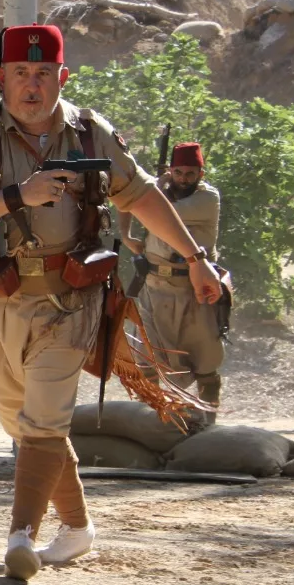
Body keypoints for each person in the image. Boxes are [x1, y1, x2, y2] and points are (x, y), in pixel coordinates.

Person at [0, 25, 224, 582]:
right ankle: (78, 529)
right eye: (20, 73)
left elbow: (141, 196)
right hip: (1, 300)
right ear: (2, 79)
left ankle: (21, 536)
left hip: (71, 299)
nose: (32, 85)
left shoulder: (91, 135)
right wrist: (22, 194)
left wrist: (194, 258)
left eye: (44, 73)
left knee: (44, 417)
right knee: (21, 421)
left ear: (62, 77)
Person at [119, 142, 225, 414]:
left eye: (190, 174)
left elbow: (161, 210)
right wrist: (127, 235)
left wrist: (158, 181)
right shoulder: (159, 192)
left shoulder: (207, 198)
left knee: (205, 357)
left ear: (201, 174)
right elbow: (129, 198)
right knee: (147, 355)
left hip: (194, 288)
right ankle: (154, 416)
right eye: (178, 173)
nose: (184, 179)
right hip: (156, 286)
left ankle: (208, 416)